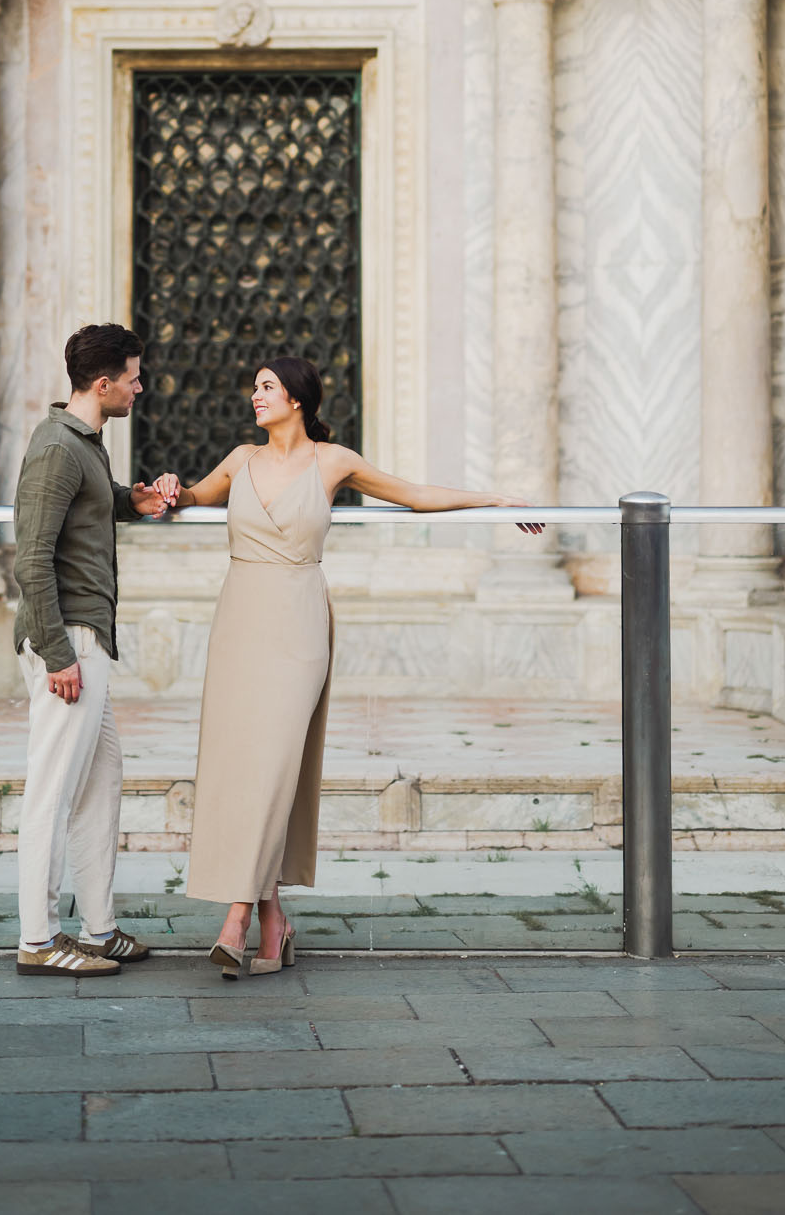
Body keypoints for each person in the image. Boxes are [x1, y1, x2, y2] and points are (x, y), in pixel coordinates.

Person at [169, 355, 541, 976]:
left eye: (266, 386)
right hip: (239, 618)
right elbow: (191, 497)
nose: (254, 395)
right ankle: (273, 922)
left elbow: (415, 495)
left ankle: (236, 914)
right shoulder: (240, 459)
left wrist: (496, 499)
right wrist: (167, 487)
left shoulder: (333, 460)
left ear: (297, 400)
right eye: (255, 386)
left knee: (276, 763)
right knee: (243, 767)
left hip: (298, 619)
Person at [12, 323, 178, 977]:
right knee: (52, 793)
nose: (141, 387)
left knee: (101, 783)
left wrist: (138, 501)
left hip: (89, 641)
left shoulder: (85, 444)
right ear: (103, 384)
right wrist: (57, 655)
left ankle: (99, 927)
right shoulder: (57, 448)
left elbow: (96, 507)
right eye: (133, 378)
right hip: (71, 640)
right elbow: (31, 558)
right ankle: (38, 939)